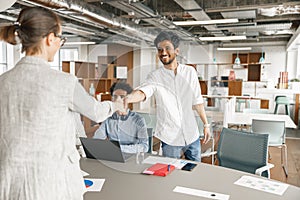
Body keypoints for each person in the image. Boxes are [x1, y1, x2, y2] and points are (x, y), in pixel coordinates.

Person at [0, 7, 124, 200]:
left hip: (9, 187)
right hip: (49, 186)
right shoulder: (63, 82)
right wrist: (116, 104)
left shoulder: (3, 81)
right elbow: (96, 112)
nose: (59, 44)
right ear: (50, 38)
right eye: (60, 39)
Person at [125, 31, 210, 162]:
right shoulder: (155, 76)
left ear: (177, 51)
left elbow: (197, 101)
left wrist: (206, 125)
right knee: (171, 173)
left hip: (192, 134)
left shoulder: (190, 72)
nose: (163, 52)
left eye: (167, 48)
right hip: (170, 138)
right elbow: (143, 92)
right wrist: (127, 99)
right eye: (160, 50)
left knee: (195, 171)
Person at [94, 82, 149, 153]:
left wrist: (119, 148)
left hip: (132, 158)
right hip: (113, 156)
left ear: (128, 99)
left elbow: (144, 146)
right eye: (115, 97)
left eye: (122, 97)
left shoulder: (138, 120)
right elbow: (96, 140)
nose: (118, 100)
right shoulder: (108, 118)